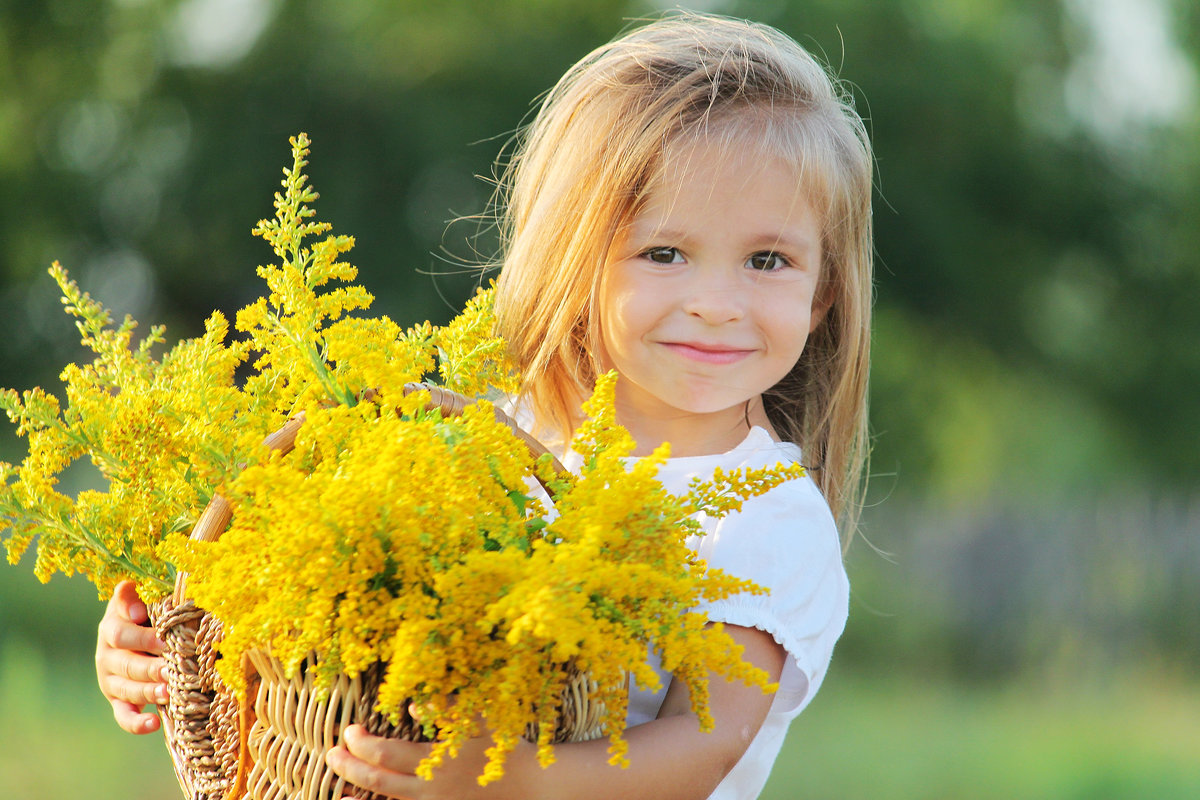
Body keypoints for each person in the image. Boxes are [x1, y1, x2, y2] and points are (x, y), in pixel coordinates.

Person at [95, 10, 873, 799]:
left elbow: (704, 747)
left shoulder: (770, 521)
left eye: (767, 260)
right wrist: (167, 649)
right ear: (576, 262)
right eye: (664, 254)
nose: (716, 303)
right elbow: (324, 622)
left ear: (822, 295)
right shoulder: (493, 439)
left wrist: (511, 781)